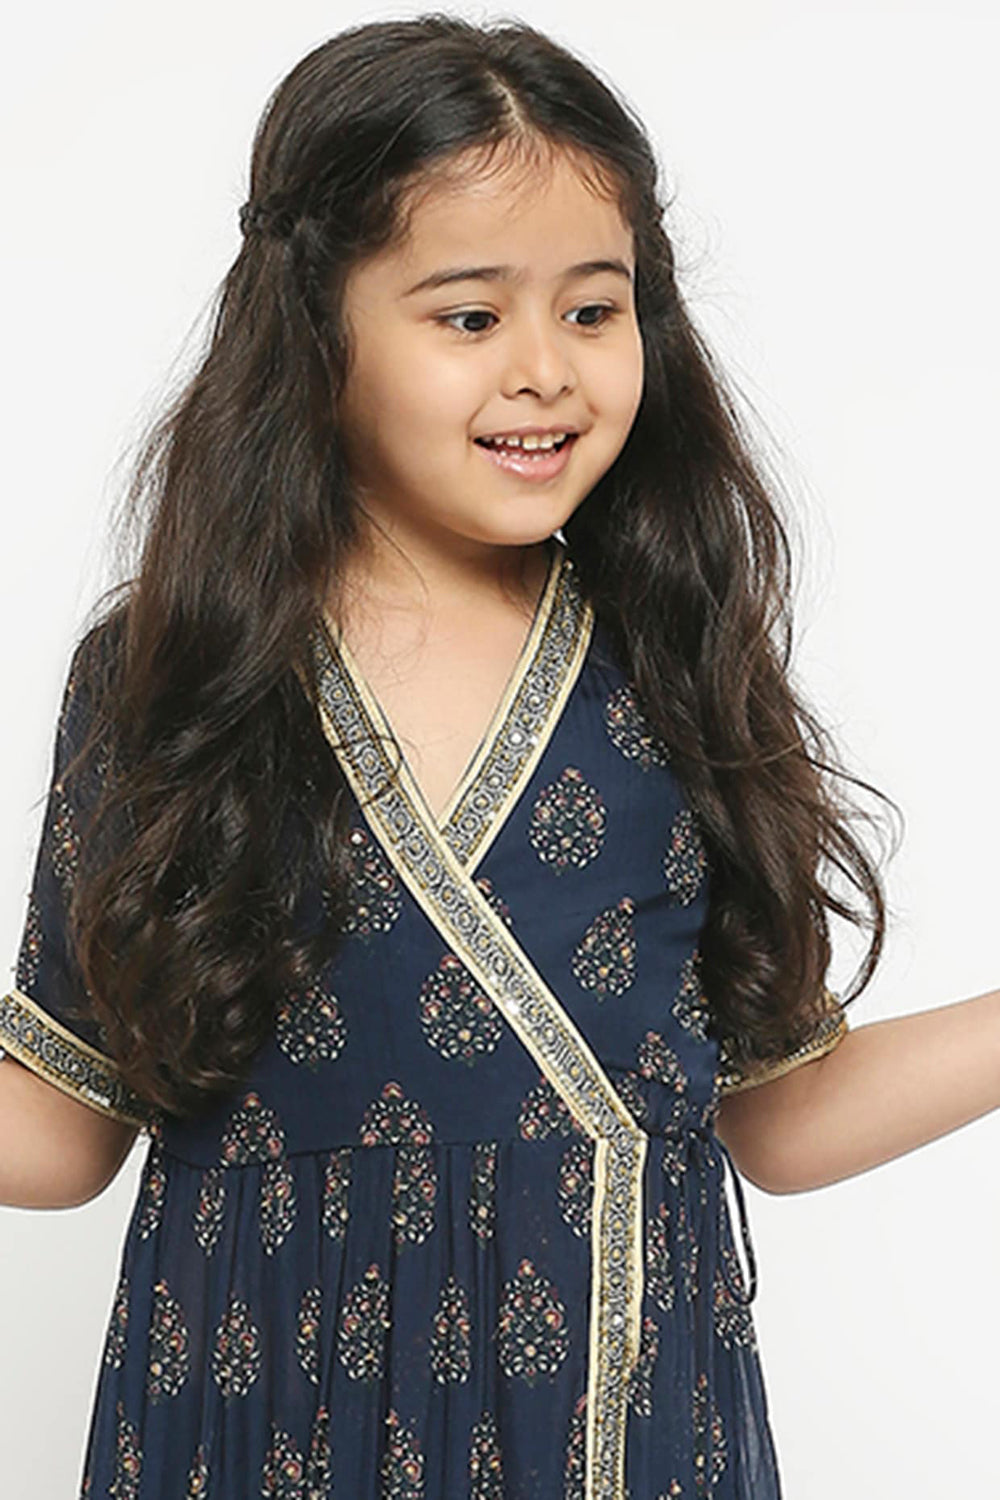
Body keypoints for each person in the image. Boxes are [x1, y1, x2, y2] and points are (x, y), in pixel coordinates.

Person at [2, 14, 997, 1499]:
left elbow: (782, 1112)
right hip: (262, 1425)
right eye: (470, 318)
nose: (545, 371)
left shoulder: (676, 663)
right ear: (316, 328)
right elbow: (60, 1128)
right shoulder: (175, 677)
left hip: (624, 1437)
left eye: (595, 310)